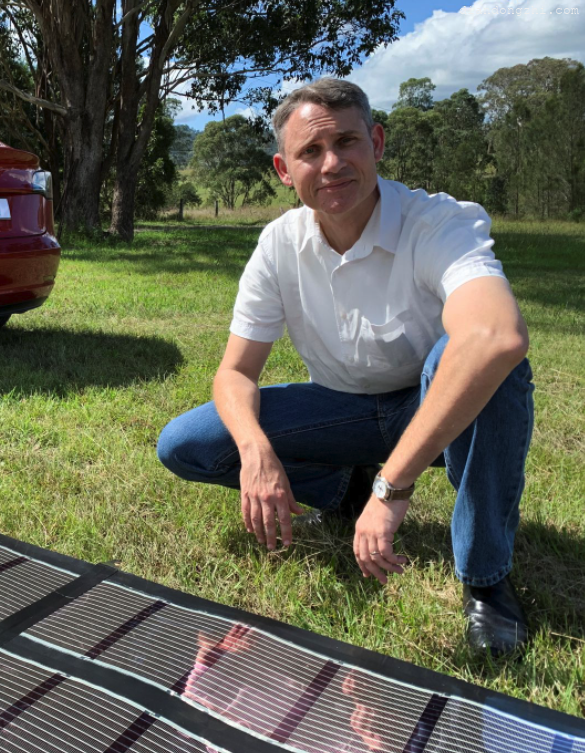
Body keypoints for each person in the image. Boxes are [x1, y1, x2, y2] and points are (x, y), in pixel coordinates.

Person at [156, 77, 534, 657]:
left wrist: (394, 487)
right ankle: (342, 489)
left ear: (377, 143)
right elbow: (235, 374)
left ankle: (486, 581)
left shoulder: (437, 223)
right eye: (310, 152)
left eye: (347, 143)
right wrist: (258, 455)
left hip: (431, 408)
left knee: (484, 360)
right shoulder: (278, 245)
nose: (331, 164)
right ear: (285, 170)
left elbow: (496, 334)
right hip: (344, 408)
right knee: (189, 442)